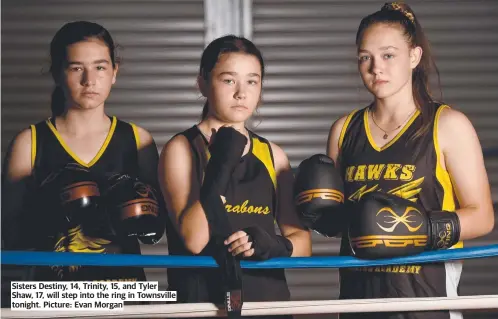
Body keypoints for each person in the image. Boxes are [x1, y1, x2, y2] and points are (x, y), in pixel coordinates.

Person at [294, 2, 494, 319]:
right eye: (365, 57)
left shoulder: (448, 124)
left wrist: (420, 229)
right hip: (358, 301)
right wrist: (324, 217)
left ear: (414, 56)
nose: (376, 68)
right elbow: (340, 222)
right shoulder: (344, 130)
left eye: (388, 55)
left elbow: (483, 217)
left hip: (426, 300)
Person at [159, 35, 311, 317]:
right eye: (229, 80)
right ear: (202, 83)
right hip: (202, 306)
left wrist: (273, 244)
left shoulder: (272, 154)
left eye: (252, 81)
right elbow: (194, 239)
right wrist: (223, 160)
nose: (241, 93)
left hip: (268, 305)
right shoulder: (182, 148)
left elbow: (302, 243)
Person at [1, 21, 165, 283]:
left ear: (114, 72)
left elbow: (156, 230)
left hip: (123, 295)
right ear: (57, 73)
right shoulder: (29, 143)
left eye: (100, 67)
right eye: (77, 68)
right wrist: (48, 208)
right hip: (53, 297)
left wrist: (128, 214)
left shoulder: (138, 140)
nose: (90, 80)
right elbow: (11, 237)